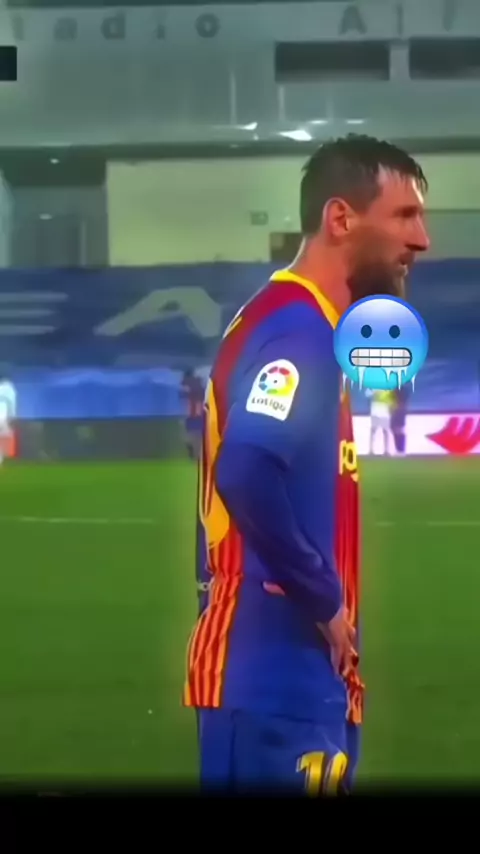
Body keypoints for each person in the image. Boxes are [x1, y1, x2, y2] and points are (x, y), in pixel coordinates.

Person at [183, 134, 429, 794]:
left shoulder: (303, 323)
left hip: (291, 678)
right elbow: (247, 469)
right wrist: (324, 598)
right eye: (405, 216)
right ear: (341, 218)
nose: (422, 240)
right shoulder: (300, 331)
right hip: (272, 674)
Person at [180, 368, 204, 460]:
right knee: (196, 435)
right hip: (197, 414)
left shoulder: (189, 386)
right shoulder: (199, 385)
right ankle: (197, 453)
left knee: (191, 435)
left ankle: (195, 453)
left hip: (193, 415)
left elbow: (184, 395)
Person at [366, 389, 396, 455]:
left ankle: (386, 450)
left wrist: (391, 405)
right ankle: (371, 450)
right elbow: (367, 394)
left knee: (385, 431)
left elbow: (392, 397)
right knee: (373, 430)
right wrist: (374, 393)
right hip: (375, 411)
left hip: (385, 411)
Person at [0, 374, 16, 465]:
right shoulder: (9, 389)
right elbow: (12, 405)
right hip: (3, 418)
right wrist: (12, 417)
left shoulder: (8, 389)